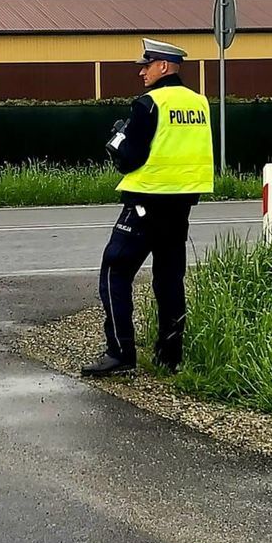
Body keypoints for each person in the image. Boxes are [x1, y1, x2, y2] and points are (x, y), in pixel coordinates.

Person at [82, 38, 214, 377]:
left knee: (114, 271)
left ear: (164, 67)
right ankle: (170, 355)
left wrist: (118, 140)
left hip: (145, 201)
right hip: (182, 204)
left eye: (147, 65)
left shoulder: (149, 103)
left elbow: (130, 159)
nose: (142, 71)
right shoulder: (199, 103)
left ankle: (120, 353)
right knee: (169, 278)